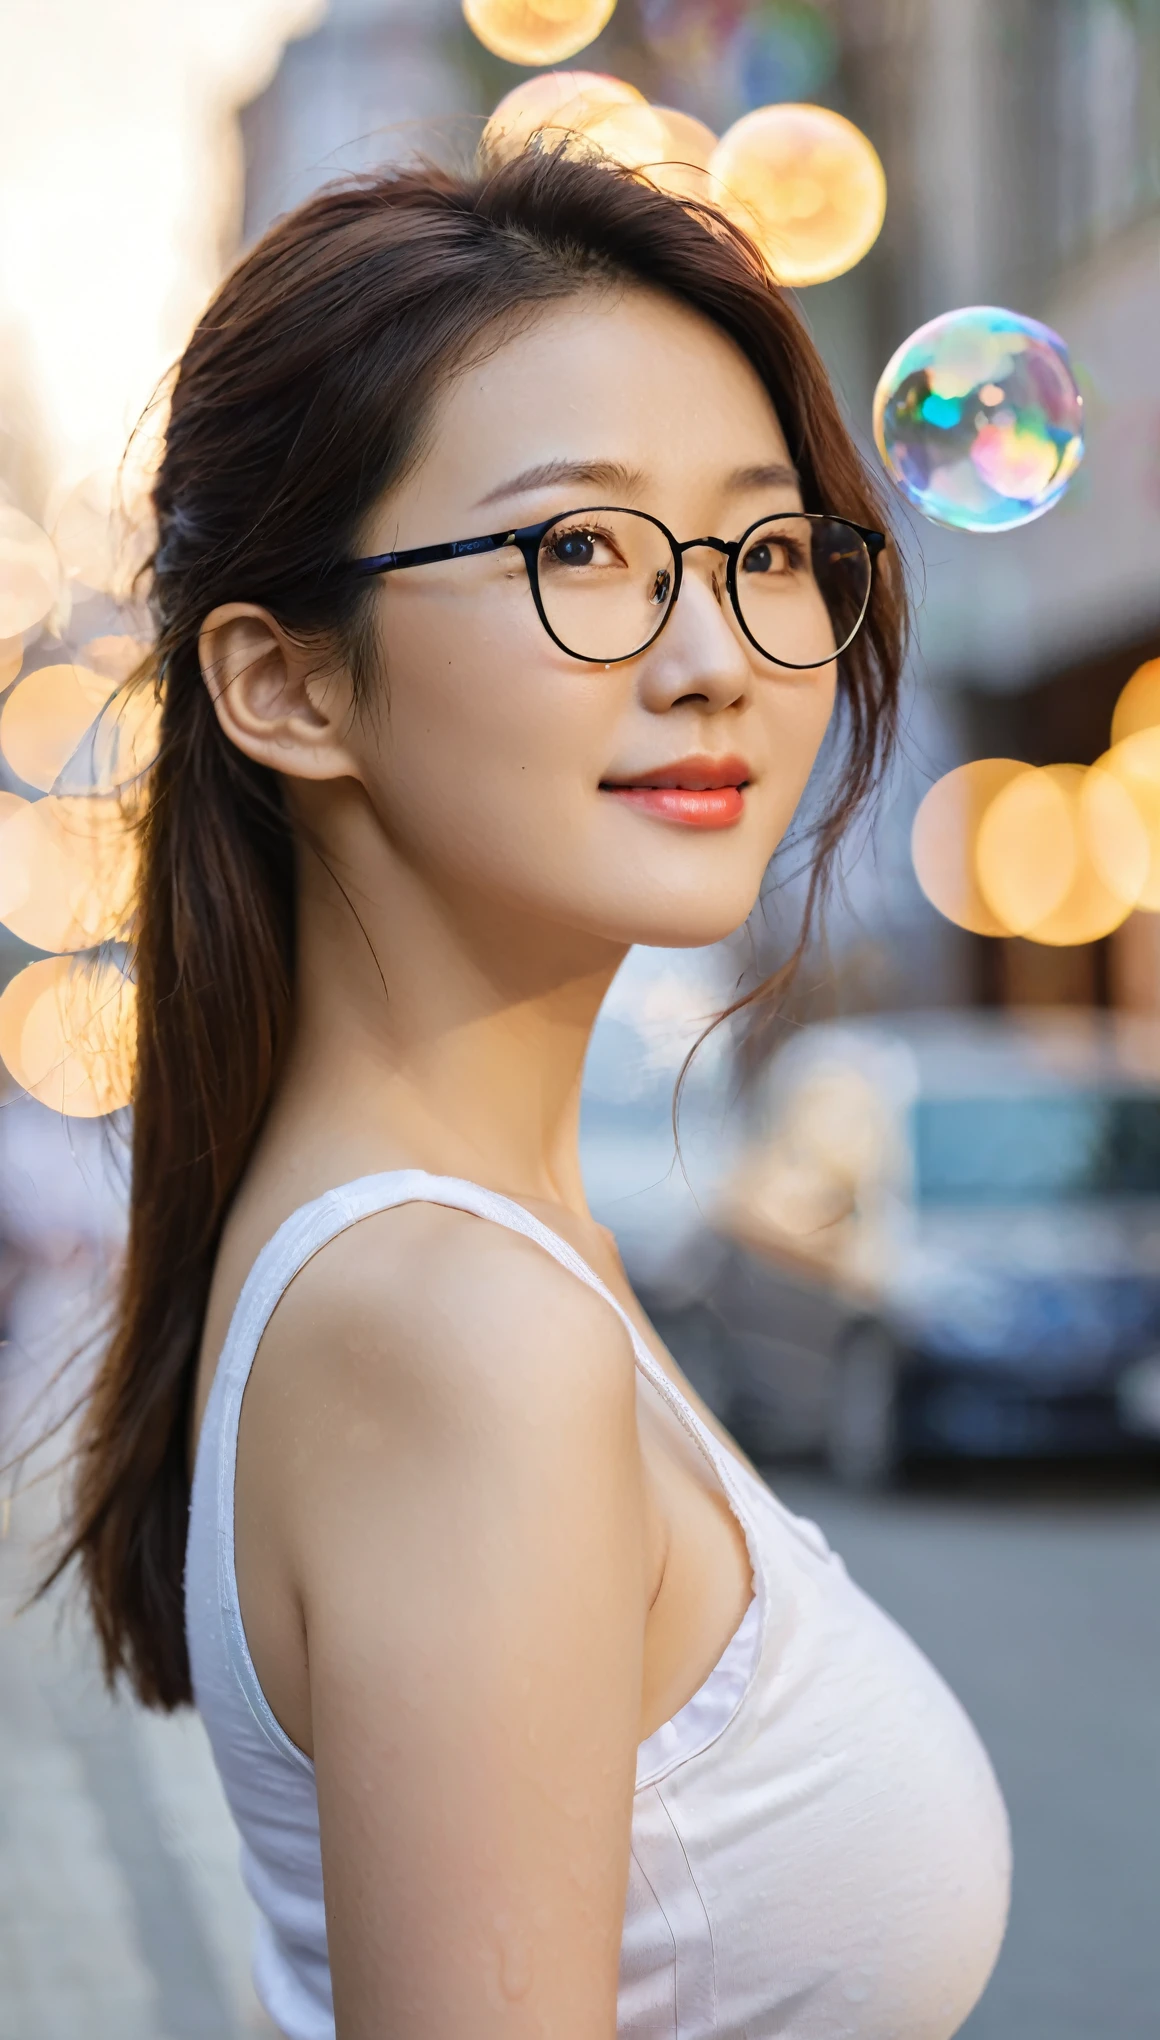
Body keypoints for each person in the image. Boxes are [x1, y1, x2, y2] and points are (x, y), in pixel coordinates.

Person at [52, 149, 1010, 2037]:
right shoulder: (454, 1323)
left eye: (763, 550)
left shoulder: (465, 1247)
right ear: (286, 685)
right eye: (580, 549)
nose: (717, 657)